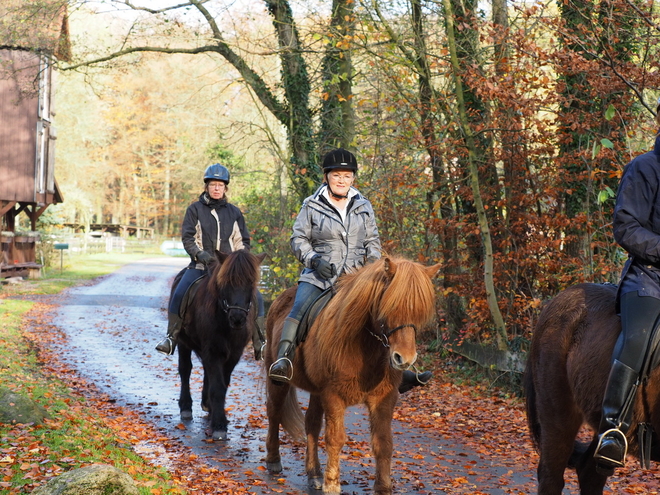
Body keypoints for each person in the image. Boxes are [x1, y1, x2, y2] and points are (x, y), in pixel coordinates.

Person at [267, 148, 432, 393]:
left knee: (387, 315)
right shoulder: (311, 205)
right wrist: (314, 260)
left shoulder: (363, 205)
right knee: (300, 306)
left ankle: (398, 371)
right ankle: (283, 359)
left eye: (347, 175)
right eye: (336, 175)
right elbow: (298, 239)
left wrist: (373, 270)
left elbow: (372, 241)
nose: (342, 180)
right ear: (327, 177)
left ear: (353, 178)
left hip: (357, 278)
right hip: (319, 277)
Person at [593, 102, 660, 471]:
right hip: (649, 280)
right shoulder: (643, 167)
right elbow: (626, 227)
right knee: (636, 339)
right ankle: (613, 429)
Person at [155, 163, 266, 360]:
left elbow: (243, 241)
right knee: (181, 292)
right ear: (206, 186)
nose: (216, 188)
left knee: (256, 296)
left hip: (229, 270)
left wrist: (237, 262)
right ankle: (171, 336)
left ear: (225, 188)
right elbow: (188, 238)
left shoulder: (234, 212)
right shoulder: (194, 210)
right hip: (200, 266)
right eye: (213, 184)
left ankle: (260, 342)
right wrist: (200, 254)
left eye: (220, 185)